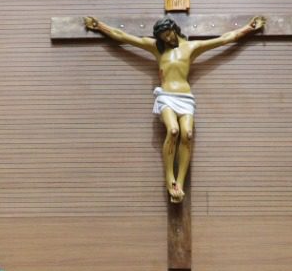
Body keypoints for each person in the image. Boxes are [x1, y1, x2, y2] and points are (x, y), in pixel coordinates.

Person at [81, 13, 265, 203]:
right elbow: (124, 37)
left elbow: (224, 39)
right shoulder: (156, 49)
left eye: (169, 34)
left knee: (188, 134)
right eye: (163, 37)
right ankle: (169, 178)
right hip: (166, 97)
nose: (167, 39)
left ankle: (180, 182)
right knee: (174, 130)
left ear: (174, 29)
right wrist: (99, 26)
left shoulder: (192, 47)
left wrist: (248, 28)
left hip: (185, 97)